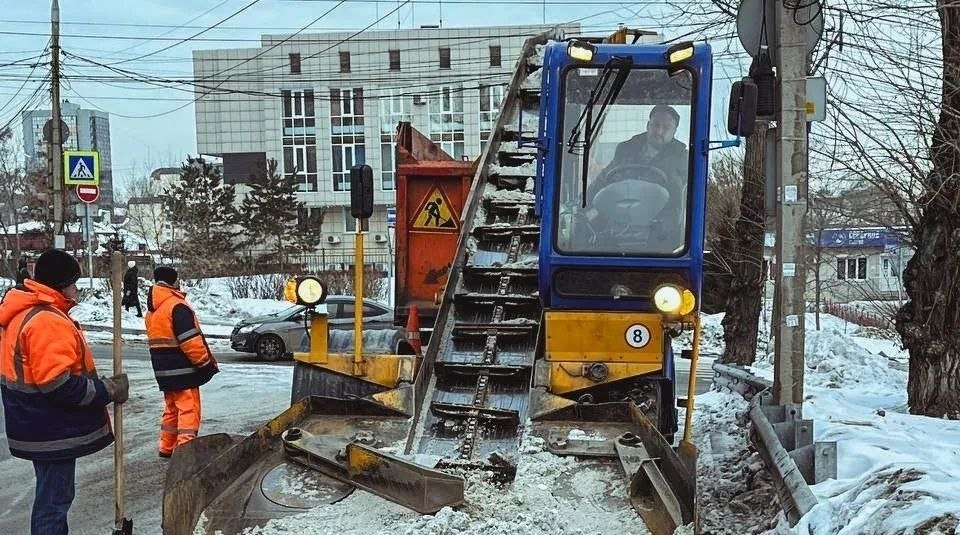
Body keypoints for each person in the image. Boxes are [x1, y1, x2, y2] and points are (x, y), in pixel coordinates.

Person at [0, 248, 128, 535]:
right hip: (49, 428)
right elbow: (59, 385)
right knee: (53, 503)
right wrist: (107, 390)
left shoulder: (24, 311)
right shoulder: (46, 321)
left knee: (52, 498)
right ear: (60, 285)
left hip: (34, 424)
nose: (76, 289)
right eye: (73, 283)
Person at [145, 266, 218, 458]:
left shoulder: (153, 310)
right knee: (188, 409)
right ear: (173, 281)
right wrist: (205, 363)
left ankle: (166, 447)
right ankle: (185, 452)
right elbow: (190, 342)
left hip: (163, 370)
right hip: (183, 370)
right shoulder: (177, 306)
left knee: (171, 409)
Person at [587, 104, 689, 200]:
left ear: (674, 131)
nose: (659, 131)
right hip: (622, 208)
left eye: (666, 127)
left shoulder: (684, 159)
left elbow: (685, 195)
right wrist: (584, 203)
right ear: (648, 125)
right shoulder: (625, 150)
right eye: (655, 125)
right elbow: (603, 179)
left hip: (664, 212)